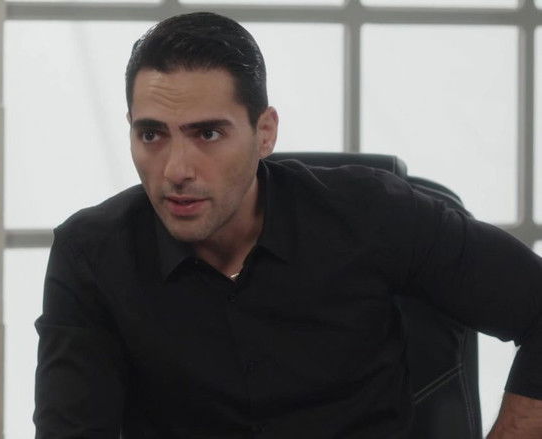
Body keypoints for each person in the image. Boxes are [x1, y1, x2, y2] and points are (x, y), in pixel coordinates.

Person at [33, 12, 542, 438]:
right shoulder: (91, 255)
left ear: (265, 133)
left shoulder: (373, 214)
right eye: (152, 135)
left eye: (207, 134)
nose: (176, 170)